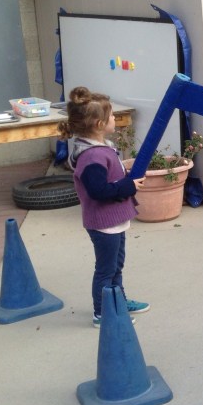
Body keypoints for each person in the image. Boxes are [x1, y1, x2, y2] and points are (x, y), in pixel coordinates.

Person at [58, 87, 150, 327]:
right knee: (106, 270)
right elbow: (98, 191)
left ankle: (118, 302)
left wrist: (124, 177)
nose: (114, 118)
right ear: (99, 124)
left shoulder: (99, 148)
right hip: (104, 224)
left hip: (113, 221)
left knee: (116, 266)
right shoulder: (92, 157)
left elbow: (109, 177)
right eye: (111, 116)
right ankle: (102, 313)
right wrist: (128, 186)